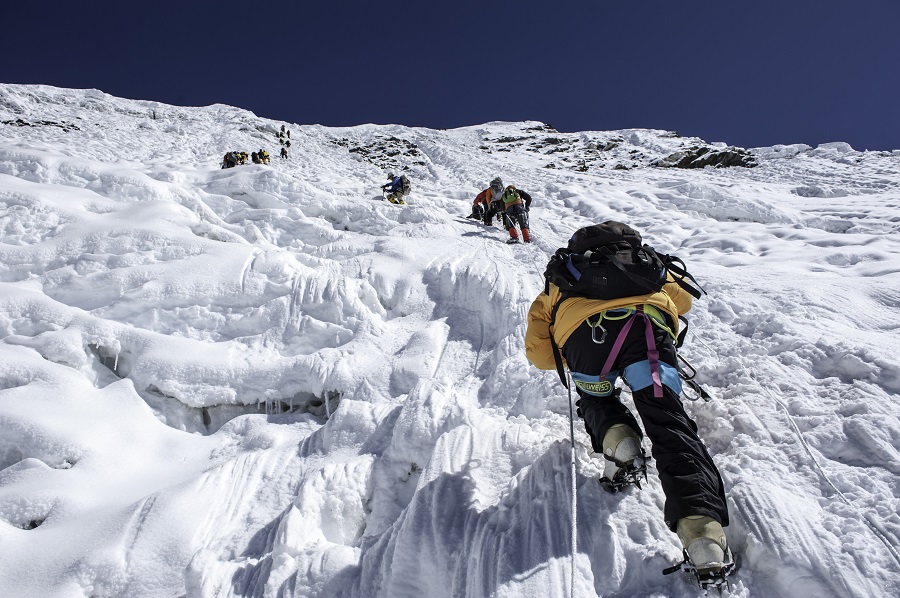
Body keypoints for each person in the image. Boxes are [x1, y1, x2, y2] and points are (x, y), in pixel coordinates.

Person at [524, 222, 731, 579]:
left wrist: (570, 347)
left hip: (587, 340)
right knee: (668, 420)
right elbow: (682, 302)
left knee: (597, 399)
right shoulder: (645, 262)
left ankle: (620, 444)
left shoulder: (563, 276)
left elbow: (541, 355)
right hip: (647, 333)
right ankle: (703, 537)